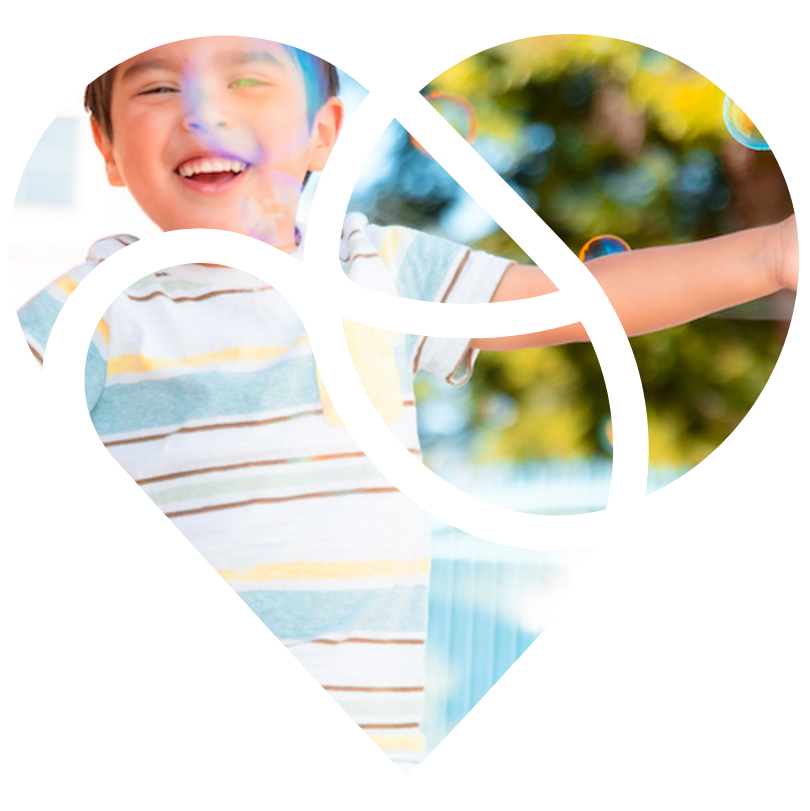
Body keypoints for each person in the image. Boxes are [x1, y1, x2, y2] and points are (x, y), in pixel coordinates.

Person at [16, 35, 807, 759]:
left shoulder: (380, 273)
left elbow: (594, 291)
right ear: (109, 151)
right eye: (156, 90)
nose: (204, 110)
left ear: (324, 132)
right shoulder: (94, 304)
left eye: (248, 78)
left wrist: (772, 251)